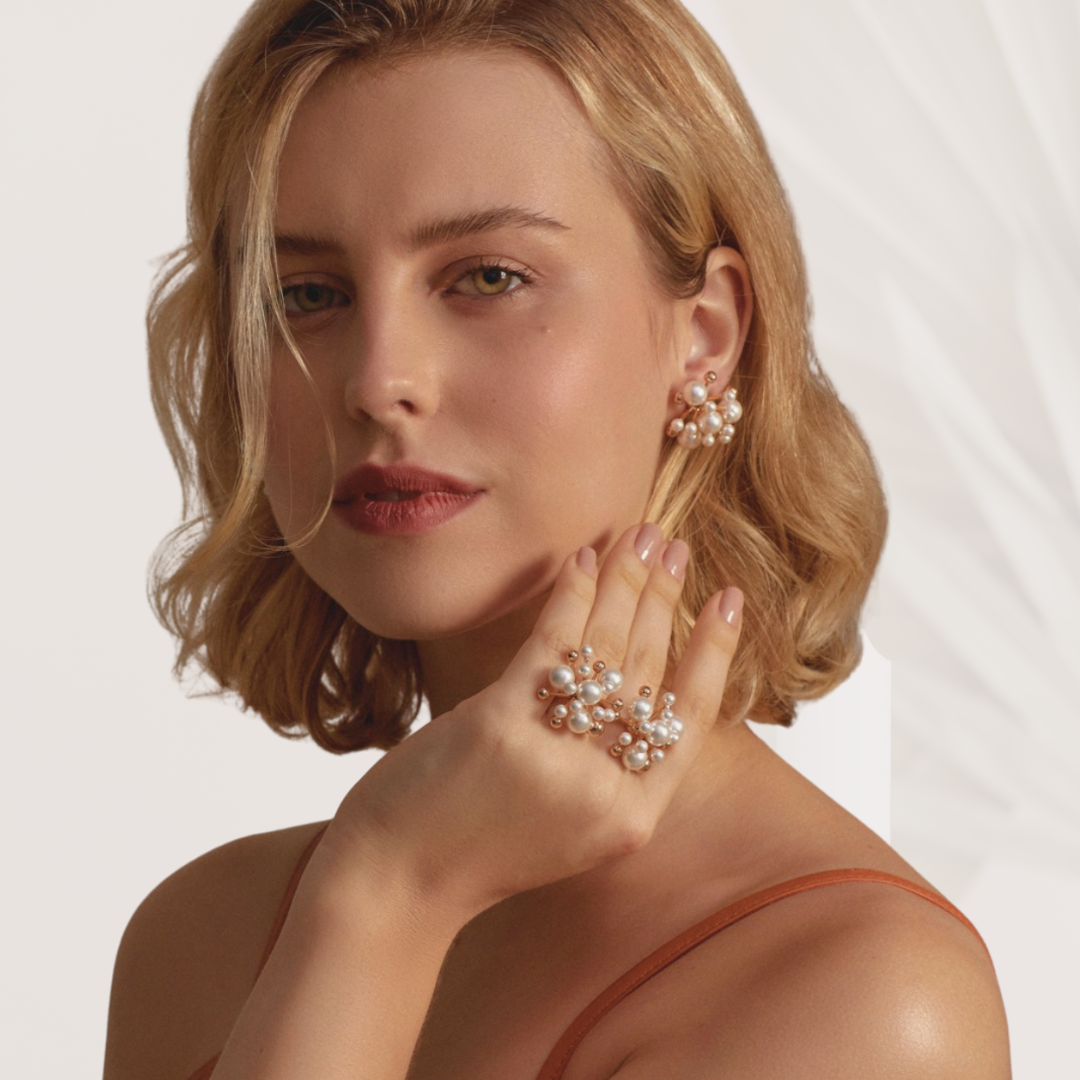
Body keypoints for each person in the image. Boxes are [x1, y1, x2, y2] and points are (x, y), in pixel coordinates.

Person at [103, 0, 1010, 1076]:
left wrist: (394, 892)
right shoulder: (200, 943)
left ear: (704, 338)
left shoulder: (861, 998)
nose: (378, 381)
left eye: (488, 277)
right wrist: (382, 890)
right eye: (306, 294)